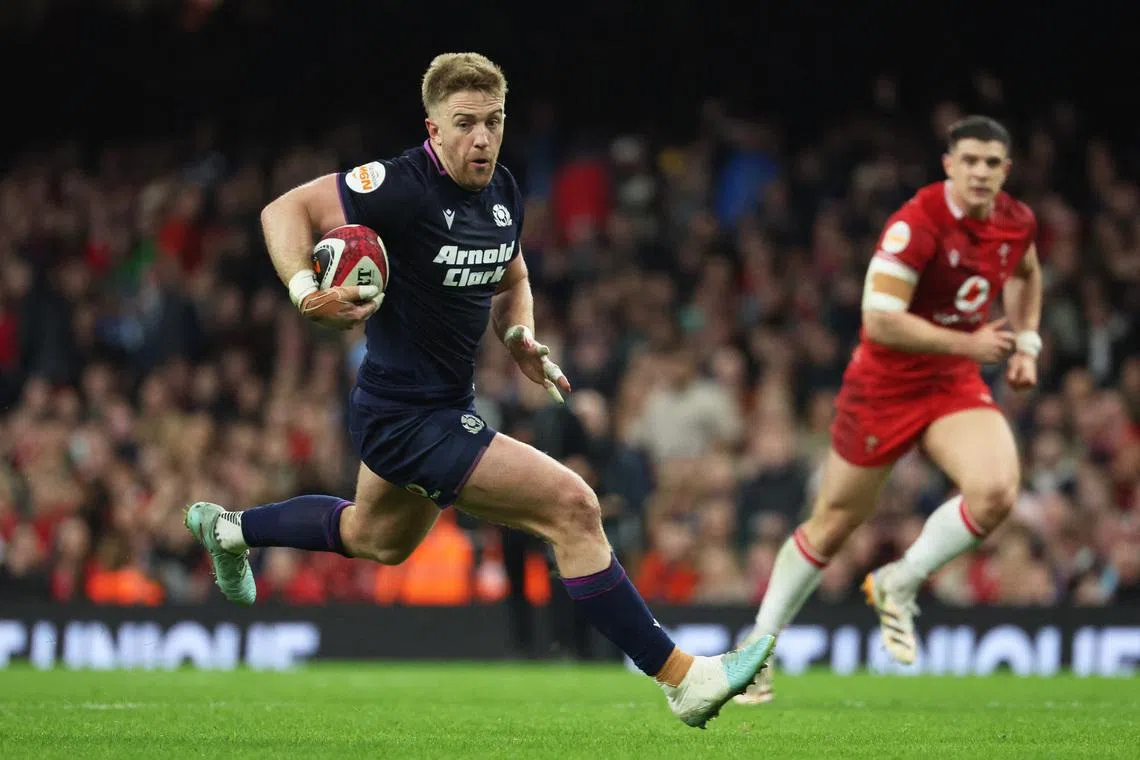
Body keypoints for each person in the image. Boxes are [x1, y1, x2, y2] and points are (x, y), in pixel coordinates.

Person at [181, 52, 773, 728]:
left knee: (376, 537)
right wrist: (304, 291)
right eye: (464, 124)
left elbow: (511, 276)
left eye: (493, 122)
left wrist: (518, 336)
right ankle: (682, 678)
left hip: (436, 407)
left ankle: (231, 529)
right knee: (573, 507)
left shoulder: (503, 195)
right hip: (407, 416)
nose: (482, 138)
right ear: (432, 129)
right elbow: (284, 209)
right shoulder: (396, 187)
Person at [735, 115, 1041, 704]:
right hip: (883, 385)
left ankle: (901, 581)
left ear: (1006, 170)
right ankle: (757, 648)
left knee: (998, 491)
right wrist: (972, 345)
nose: (980, 171)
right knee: (834, 523)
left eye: (992, 162)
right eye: (969, 160)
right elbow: (879, 320)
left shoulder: (1016, 222)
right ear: (949, 164)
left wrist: (1027, 341)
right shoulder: (918, 222)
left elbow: (1027, 272)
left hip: (951, 381)